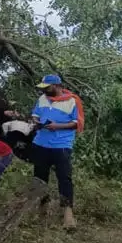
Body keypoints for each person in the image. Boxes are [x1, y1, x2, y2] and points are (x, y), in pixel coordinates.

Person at [31, 74, 84, 229]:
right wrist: (37, 122)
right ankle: (42, 211)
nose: (44, 91)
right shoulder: (42, 99)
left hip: (61, 145)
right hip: (41, 143)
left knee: (64, 179)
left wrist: (57, 126)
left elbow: (77, 123)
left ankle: (68, 216)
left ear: (57, 86)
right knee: (39, 179)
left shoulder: (72, 101)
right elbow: (35, 115)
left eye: (47, 88)